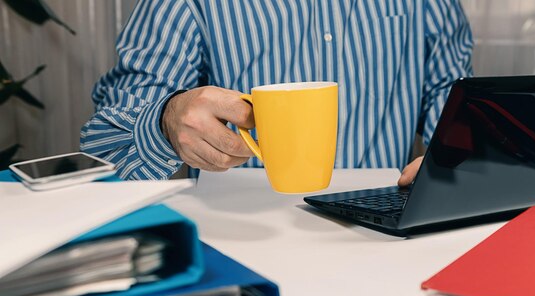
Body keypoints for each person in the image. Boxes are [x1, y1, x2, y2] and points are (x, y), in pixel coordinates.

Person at [80, 0, 473, 186]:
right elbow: (107, 141)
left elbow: (452, 98)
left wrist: (454, 158)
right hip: (243, 236)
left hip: (388, 226)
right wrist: (166, 120)